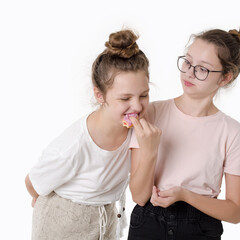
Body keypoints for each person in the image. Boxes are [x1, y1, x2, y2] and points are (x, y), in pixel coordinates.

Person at [127, 24, 240, 240]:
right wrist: (150, 151)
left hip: (200, 228)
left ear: (225, 78)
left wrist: (185, 195)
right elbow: (139, 196)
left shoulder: (234, 133)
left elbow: (235, 212)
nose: (189, 73)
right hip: (148, 223)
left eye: (202, 69)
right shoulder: (151, 112)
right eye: (187, 62)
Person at [25, 29, 150, 240]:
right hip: (64, 222)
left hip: (105, 218)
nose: (137, 106)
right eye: (125, 98)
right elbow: (33, 183)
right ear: (99, 95)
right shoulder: (74, 145)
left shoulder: (138, 129)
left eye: (144, 95)